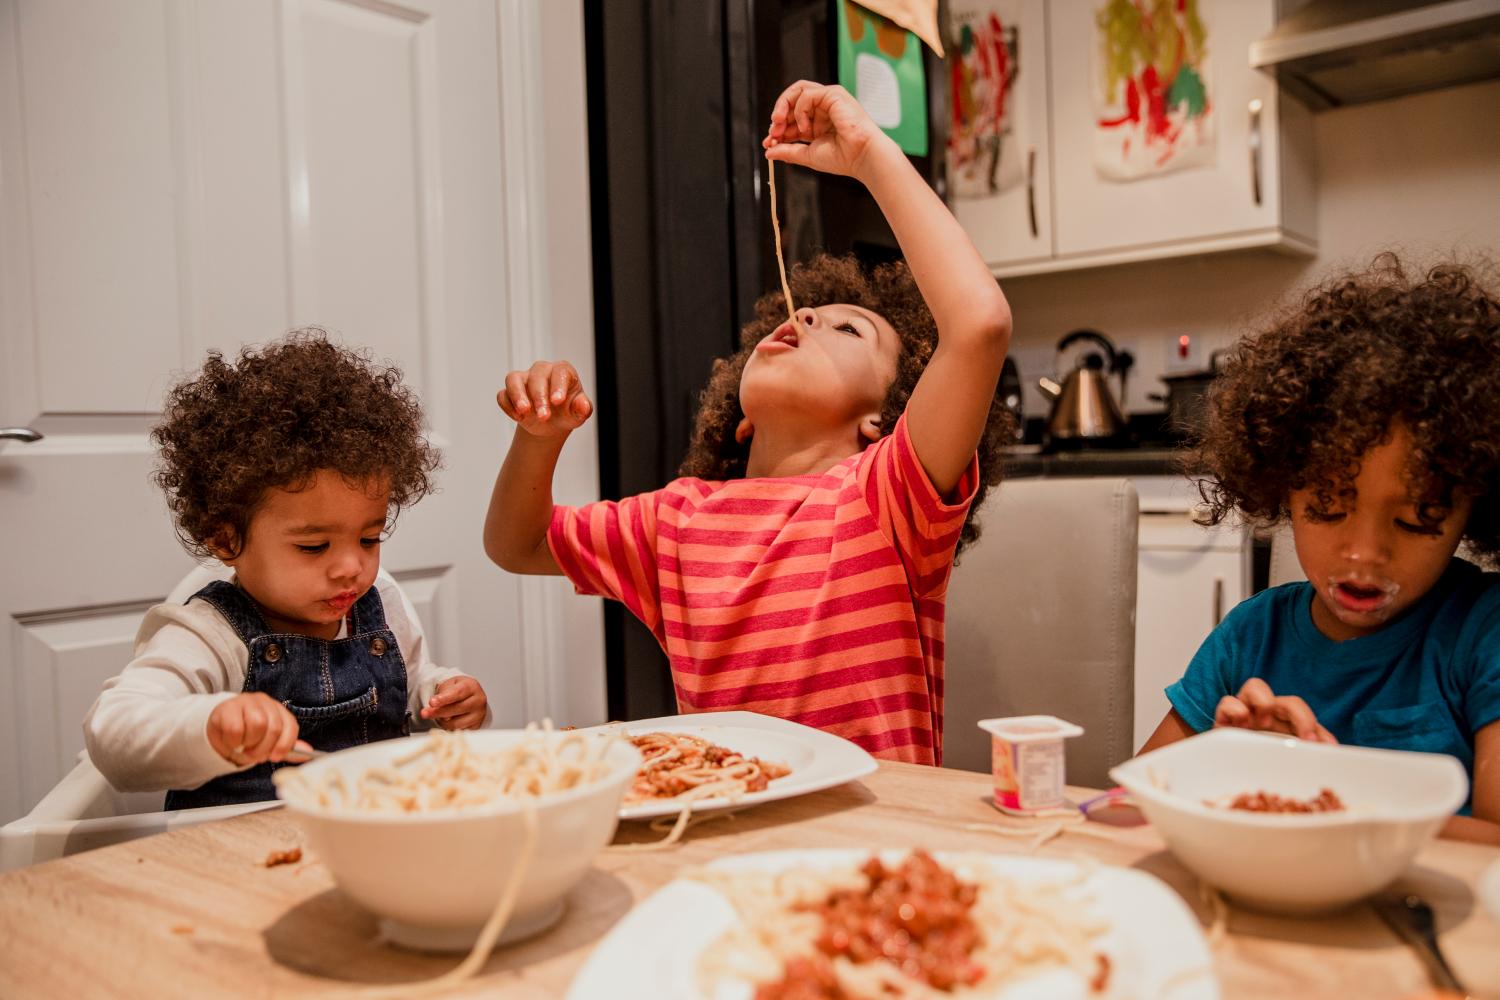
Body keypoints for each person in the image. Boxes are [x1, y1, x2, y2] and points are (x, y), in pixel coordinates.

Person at [484, 82, 1013, 765]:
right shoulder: (674, 524)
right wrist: (538, 439)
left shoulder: (887, 499)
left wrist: (866, 154)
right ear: (740, 422)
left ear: (886, 420)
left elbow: (980, 325)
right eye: (805, 315)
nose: (809, 316)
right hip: (728, 834)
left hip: (874, 837)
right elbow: (515, 544)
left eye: (848, 328)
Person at [1140, 256, 1500, 844]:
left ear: (1475, 503)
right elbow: (1130, 807)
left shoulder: (1483, 634)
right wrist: (1233, 771)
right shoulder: (1250, 638)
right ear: (1282, 485)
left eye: (1414, 520)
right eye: (1330, 507)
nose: (1364, 553)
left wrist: (1325, 792)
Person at [85, 332, 489, 808]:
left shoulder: (380, 608)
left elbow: (412, 687)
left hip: (377, 840)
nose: (351, 568)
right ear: (225, 539)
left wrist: (442, 696)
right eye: (314, 546)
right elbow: (115, 734)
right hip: (241, 859)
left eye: (369, 538)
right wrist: (210, 725)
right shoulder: (208, 636)